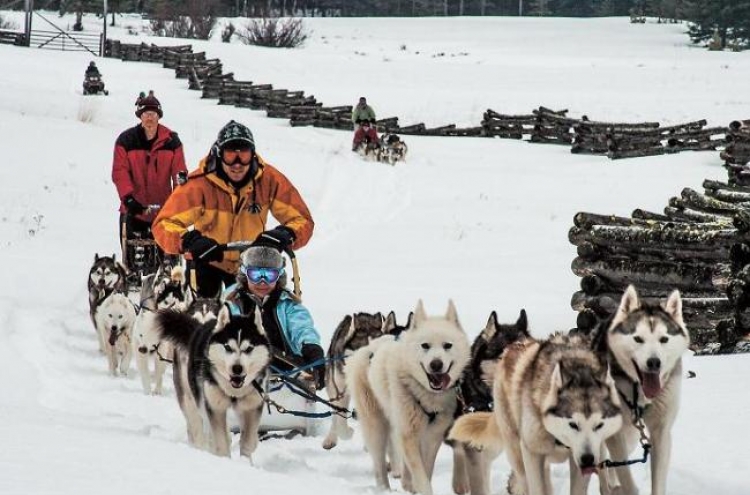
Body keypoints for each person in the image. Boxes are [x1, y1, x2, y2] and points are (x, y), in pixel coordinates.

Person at [152, 120, 314, 298]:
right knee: (202, 317)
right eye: (230, 155)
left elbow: (302, 220)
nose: (237, 164)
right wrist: (188, 240)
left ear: (252, 155)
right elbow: (163, 224)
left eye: (243, 155)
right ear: (219, 155)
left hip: (251, 263)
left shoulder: (269, 180)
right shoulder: (199, 183)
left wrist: (285, 234)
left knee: (258, 316)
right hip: (208, 258)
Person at [227, 245, 325, 389]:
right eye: (255, 275)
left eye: (269, 275)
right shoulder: (230, 303)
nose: (262, 282)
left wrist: (311, 348)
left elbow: (302, 328)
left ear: (279, 276)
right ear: (244, 275)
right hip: (242, 376)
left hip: (288, 372)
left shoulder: (289, 304)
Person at [112, 95, 187, 270]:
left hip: (163, 209)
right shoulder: (126, 140)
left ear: (159, 115)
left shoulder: (171, 141)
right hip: (134, 208)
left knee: (164, 250)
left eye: (153, 113)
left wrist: (179, 199)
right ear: (140, 116)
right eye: (145, 113)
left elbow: (180, 172)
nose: (149, 117)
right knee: (130, 249)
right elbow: (119, 172)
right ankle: (132, 274)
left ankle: (163, 276)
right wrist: (128, 198)